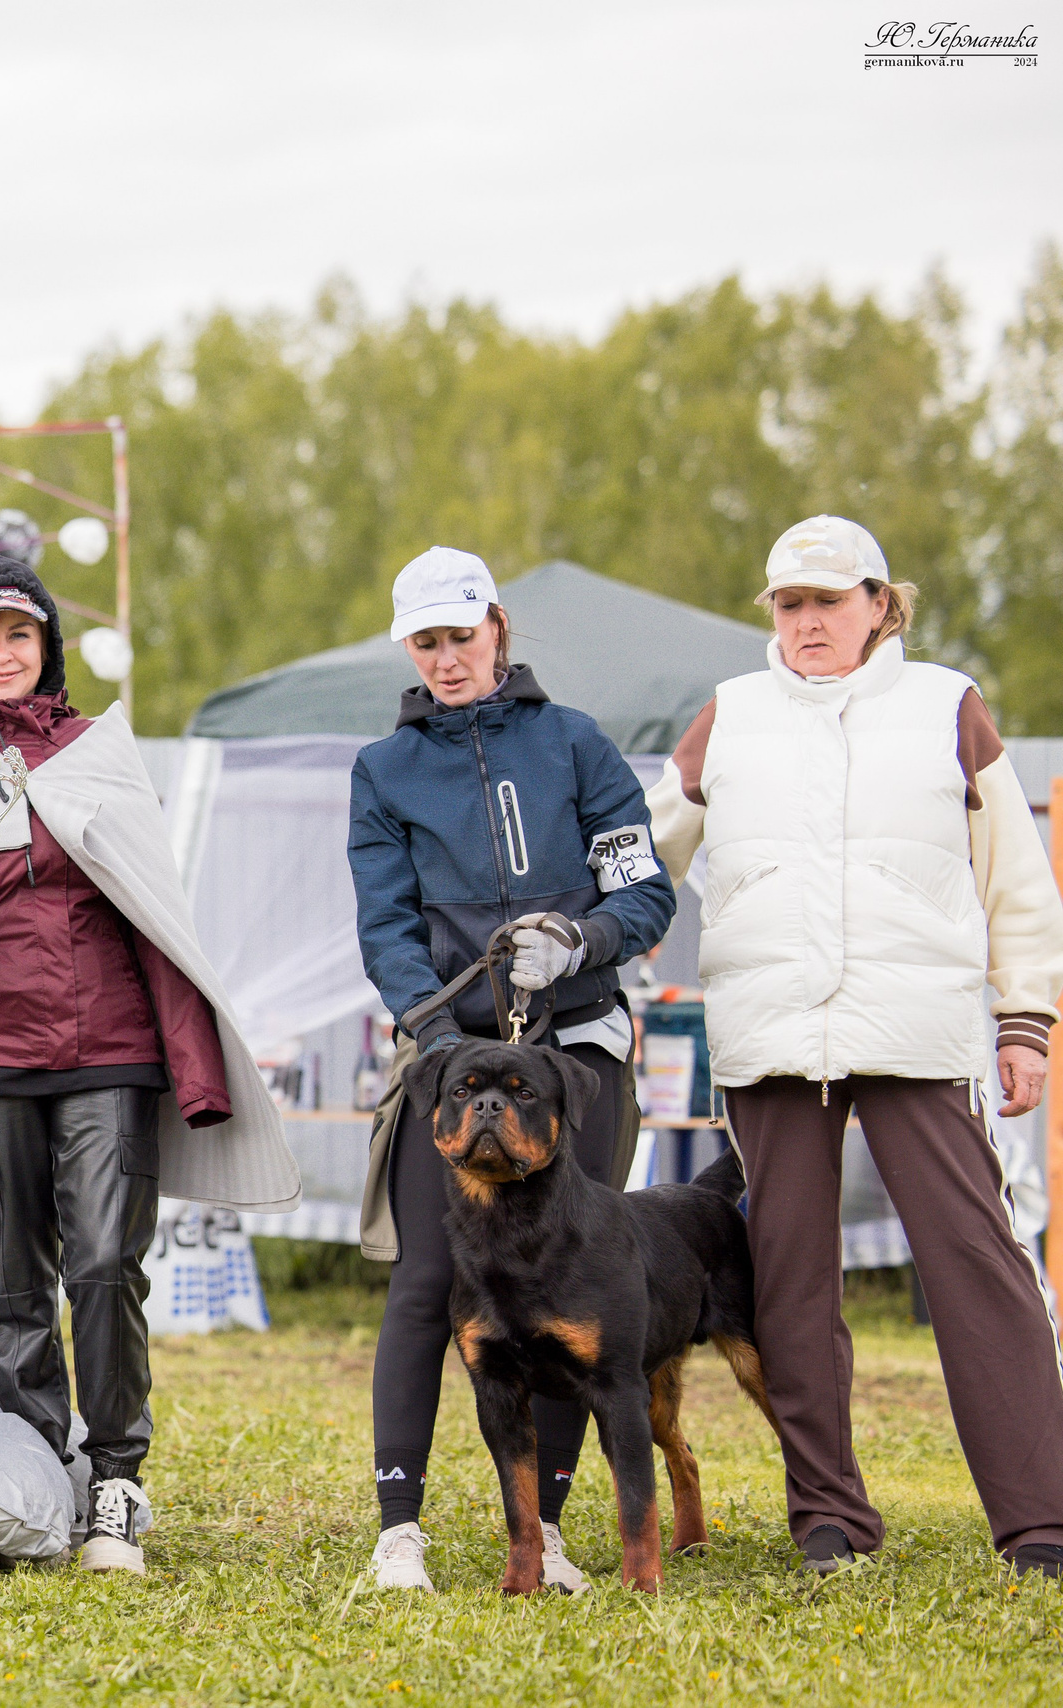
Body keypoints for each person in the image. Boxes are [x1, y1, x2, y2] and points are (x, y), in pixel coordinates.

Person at [646, 515, 1063, 1578]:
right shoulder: (729, 716)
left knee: (979, 1264)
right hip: (770, 1033)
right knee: (787, 1279)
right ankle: (827, 1517)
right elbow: (651, 855)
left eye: (828, 602)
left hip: (919, 1027)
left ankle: (1041, 1521)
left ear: (881, 604)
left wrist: (1024, 1020)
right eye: (788, 604)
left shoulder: (945, 705)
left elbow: (1015, 874)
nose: (806, 623)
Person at [0, 553, 297, 1575]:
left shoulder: (100, 754)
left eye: (18, 634)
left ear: (46, 646)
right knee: (14, 1286)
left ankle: (115, 1479)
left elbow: (154, 900)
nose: (2, 653)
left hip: (108, 1050)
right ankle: (35, 1481)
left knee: (105, 1267)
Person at [346, 546, 677, 1593]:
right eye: (426, 642)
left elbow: (644, 890)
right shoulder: (381, 770)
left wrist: (580, 941)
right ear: (410, 646)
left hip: (576, 1051)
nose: (448, 658)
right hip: (452, 1061)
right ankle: (400, 1529)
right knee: (426, 1281)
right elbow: (386, 928)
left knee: (583, 1289)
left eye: (462, 634)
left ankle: (555, 1529)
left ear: (496, 626)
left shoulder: (578, 743)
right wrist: (436, 1042)